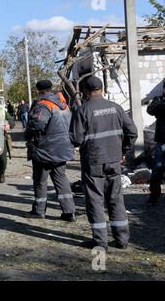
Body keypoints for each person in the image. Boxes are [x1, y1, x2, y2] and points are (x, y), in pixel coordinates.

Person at [70, 76, 137, 249]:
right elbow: (132, 132)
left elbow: (76, 139)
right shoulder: (116, 108)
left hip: (93, 161)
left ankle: (100, 242)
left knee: (95, 201)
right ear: (102, 89)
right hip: (114, 160)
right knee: (116, 200)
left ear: (85, 91)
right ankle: (122, 240)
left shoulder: (82, 110)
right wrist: (123, 151)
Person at [24, 80, 76, 222]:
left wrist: (27, 134)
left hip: (45, 149)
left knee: (40, 180)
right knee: (61, 179)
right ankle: (69, 212)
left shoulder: (43, 105)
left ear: (39, 91)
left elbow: (37, 125)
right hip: (62, 149)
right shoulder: (63, 104)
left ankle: (39, 211)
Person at [146, 78, 165, 205]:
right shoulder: (159, 100)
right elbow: (150, 110)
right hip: (164, 140)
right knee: (157, 168)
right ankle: (154, 195)